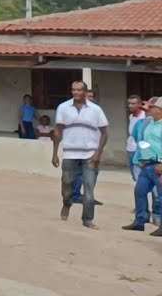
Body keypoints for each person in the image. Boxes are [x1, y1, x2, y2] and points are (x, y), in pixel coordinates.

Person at [53, 80, 109, 228]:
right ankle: (67, 202)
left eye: (79, 90)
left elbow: (104, 134)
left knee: (89, 187)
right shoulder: (63, 108)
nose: (76, 93)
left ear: (85, 92)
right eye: (73, 90)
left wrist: (98, 153)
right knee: (67, 183)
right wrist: (55, 153)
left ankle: (87, 219)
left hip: (90, 154)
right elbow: (58, 131)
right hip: (70, 153)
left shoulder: (96, 110)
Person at [123, 97, 162, 234]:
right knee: (139, 191)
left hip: (159, 164)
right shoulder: (147, 122)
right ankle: (140, 220)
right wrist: (140, 157)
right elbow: (141, 140)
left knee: (160, 196)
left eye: (153, 107)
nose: (149, 109)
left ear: (160, 110)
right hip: (147, 164)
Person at [127, 95, 148, 180]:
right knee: (135, 177)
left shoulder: (144, 117)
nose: (130, 105)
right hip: (130, 149)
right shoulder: (131, 116)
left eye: (133, 103)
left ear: (140, 104)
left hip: (139, 151)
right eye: (129, 103)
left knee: (140, 178)